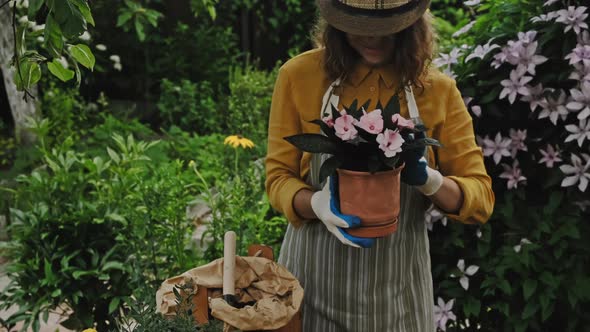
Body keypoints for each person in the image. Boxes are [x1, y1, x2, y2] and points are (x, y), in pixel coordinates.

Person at [265, 0, 495, 330]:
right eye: (360, 29)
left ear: (412, 26)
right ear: (337, 24)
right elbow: (278, 179)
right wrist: (316, 203)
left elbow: (480, 198)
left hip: (398, 300)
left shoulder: (438, 91)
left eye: (387, 30)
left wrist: (430, 181)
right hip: (311, 289)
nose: (372, 39)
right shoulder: (298, 77)